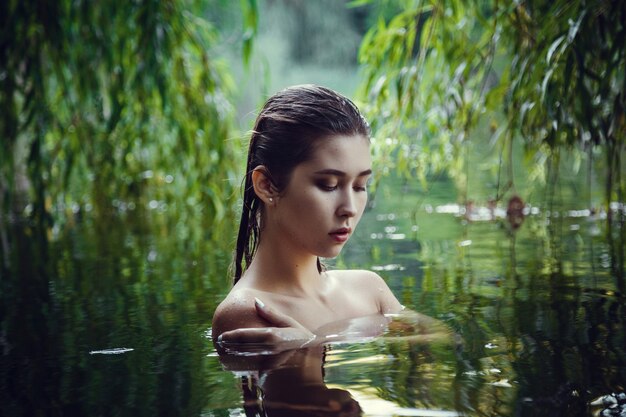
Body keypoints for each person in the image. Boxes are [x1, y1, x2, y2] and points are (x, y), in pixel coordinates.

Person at [211, 84, 405, 352]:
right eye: (328, 184)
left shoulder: (369, 290)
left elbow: (443, 341)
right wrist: (306, 349)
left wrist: (311, 342)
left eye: (360, 186)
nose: (349, 207)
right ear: (267, 186)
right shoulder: (248, 312)